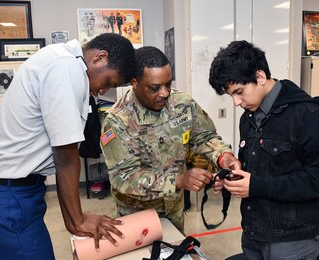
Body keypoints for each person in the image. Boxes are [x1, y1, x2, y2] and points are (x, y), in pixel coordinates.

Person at [0, 33, 135, 260]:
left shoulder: (64, 62)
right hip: (7, 198)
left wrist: (73, 221)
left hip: (19, 193)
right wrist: (78, 220)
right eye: (108, 82)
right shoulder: (66, 67)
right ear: (100, 57)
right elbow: (66, 159)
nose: (102, 90)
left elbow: (61, 160)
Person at [209, 40, 319, 260]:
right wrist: (234, 175)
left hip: (291, 238)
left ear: (260, 77)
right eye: (231, 96)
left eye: (238, 92)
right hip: (254, 232)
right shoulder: (249, 118)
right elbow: (262, 169)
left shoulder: (307, 115)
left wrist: (256, 186)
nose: (236, 102)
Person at [100, 46, 240, 232]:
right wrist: (179, 180)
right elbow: (123, 178)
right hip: (137, 216)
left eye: (168, 84)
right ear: (134, 82)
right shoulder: (117, 121)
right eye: (155, 88)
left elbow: (205, 136)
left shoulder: (182, 103)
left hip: (174, 209)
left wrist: (223, 156)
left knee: (175, 257)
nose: (165, 93)